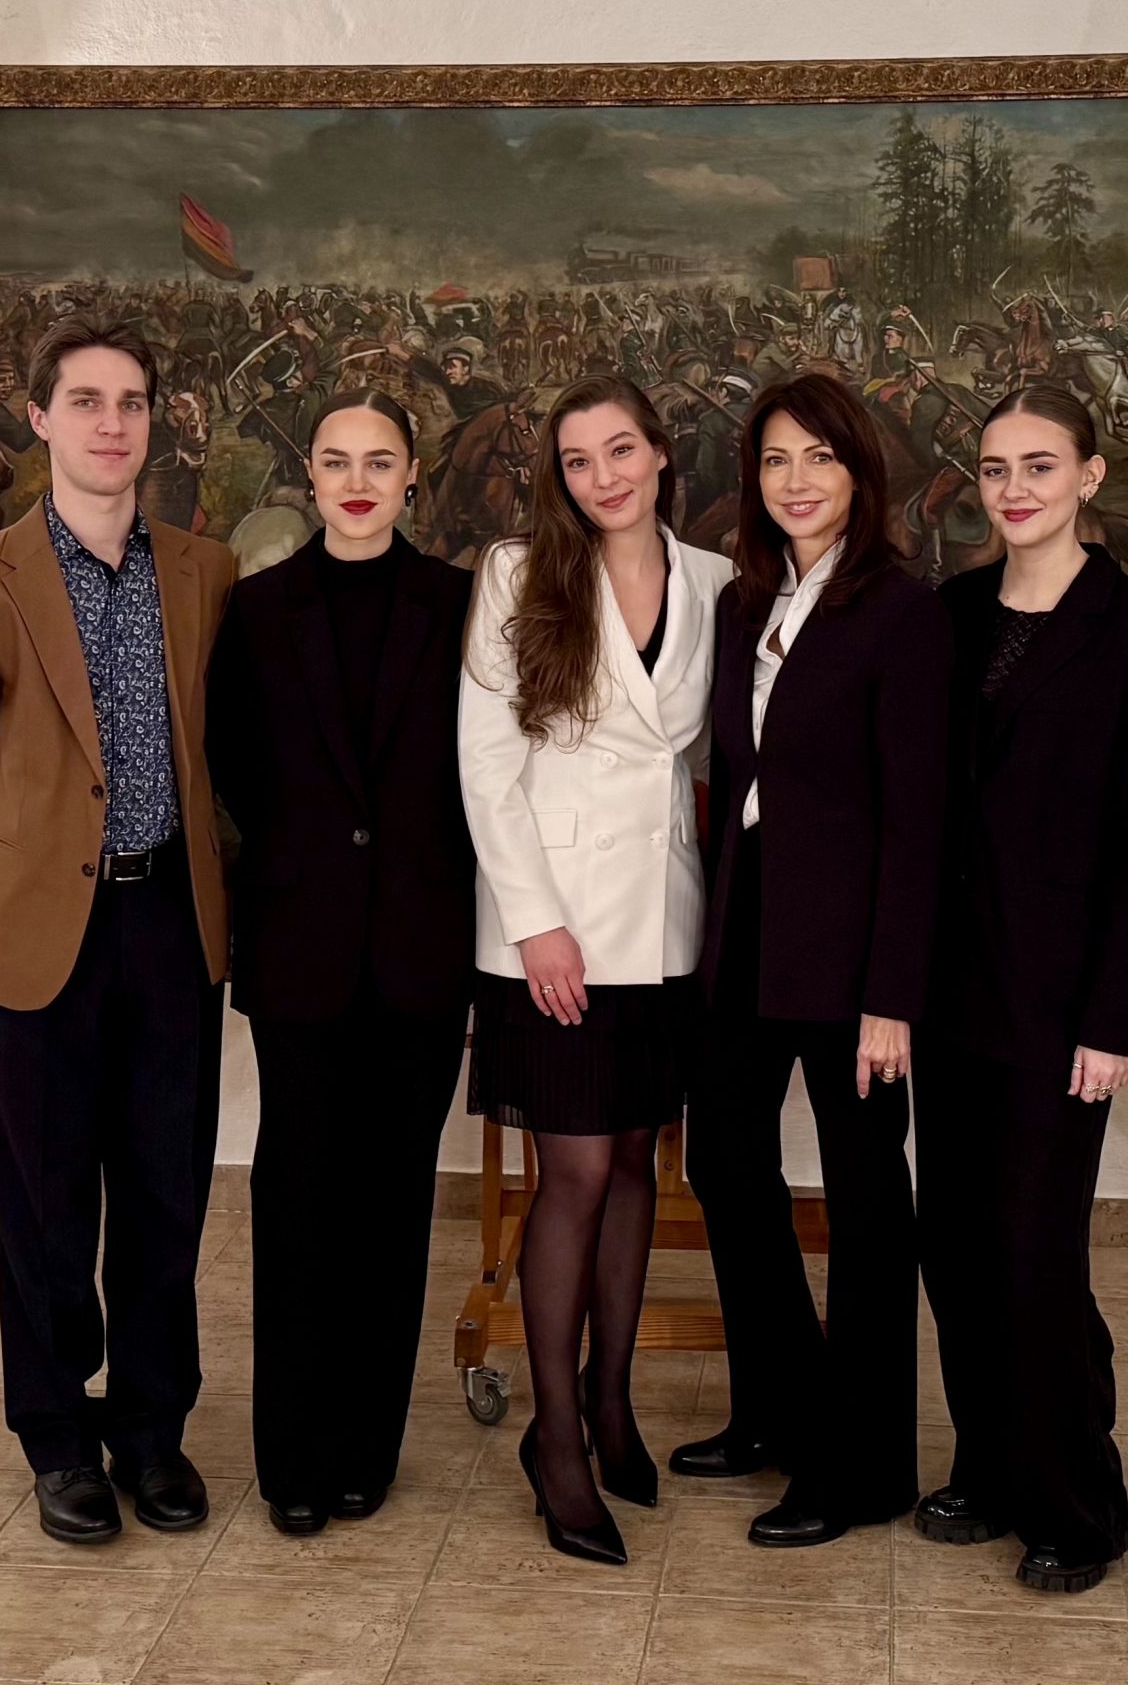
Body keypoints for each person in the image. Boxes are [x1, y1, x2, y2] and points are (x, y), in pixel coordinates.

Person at [0, 314, 239, 1545]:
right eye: (88, 401)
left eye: (133, 402)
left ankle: (151, 1431)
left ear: (154, 423)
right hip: (40, 927)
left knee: (164, 1192)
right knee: (46, 1203)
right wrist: (40, 856)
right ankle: (57, 1436)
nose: (113, 423)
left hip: (170, 924)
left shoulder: (205, 575)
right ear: (42, 417)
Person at [459, 374, 733, 1566]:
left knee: (631, 1166)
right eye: (577, 461)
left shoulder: (715, 581)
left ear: (661, 454)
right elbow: (485, 762)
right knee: (570, 1174)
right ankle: (557, 1440)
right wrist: (536, 925)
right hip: (553, 929)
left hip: (661, 924)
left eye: (620, 451)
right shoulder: (519, 574)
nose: (602, 477)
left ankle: (611, 1402)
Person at [678, 371, 954, 1548]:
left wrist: (893, 997)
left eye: (820, 458)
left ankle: (865, 1465)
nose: (795, 482)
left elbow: (918, 821)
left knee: (865, 1201)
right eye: (776, 460)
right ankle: (779, 1409)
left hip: (852, 962)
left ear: (859, 472)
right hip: (743, 937)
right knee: (724, 1166)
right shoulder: (743, 603)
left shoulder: (902, 611)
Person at [914, 384, 1128, 1594]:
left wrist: (1114, 1019)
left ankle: (1075, 1504)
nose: (1012, 489)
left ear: (1088, 474)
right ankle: (986, 1463)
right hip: (948, 988)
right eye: (994, 468)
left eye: (1038, 465)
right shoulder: (952, 614)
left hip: (1063, 1005)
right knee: (956, 1242)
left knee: (1033, 1251)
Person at [207, 389, 476, 1537]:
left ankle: (367, 1447)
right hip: (301, 949)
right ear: (308, 478)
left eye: (379, 461)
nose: (357, 482)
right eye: (335, 461)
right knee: (298, 1197)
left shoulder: (460, 606)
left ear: (413, 476)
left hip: (421, 949)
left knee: (392, 1202)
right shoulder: (257, 609)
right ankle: (292, 1457)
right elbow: (231, 762)